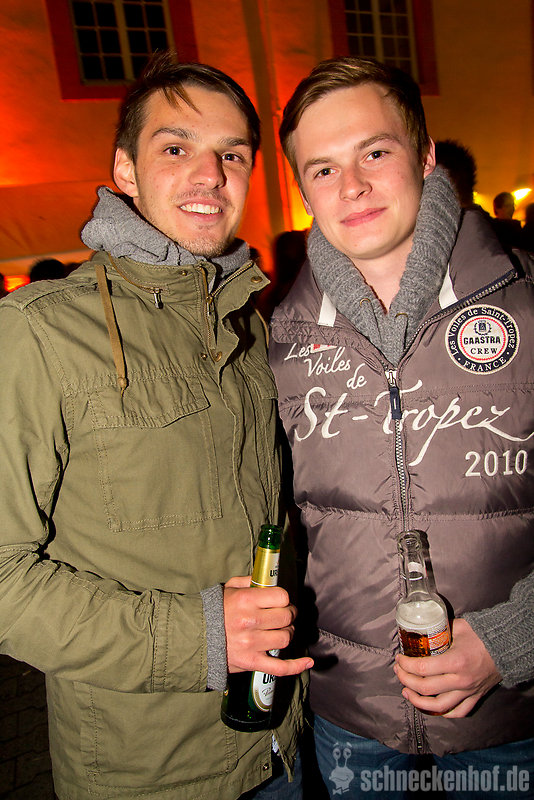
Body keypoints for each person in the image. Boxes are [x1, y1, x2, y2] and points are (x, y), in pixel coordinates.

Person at [0, 52, 312, 800]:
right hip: (149, 772)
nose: (210, 175)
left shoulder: (248, 325)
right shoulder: (39, 332)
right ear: (125, 170)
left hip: (282, 744)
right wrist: (202, 637)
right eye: (175, 148)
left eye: (232, 154)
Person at [269, 56, 534, 798]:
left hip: (511, 720)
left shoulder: (529, 305)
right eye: (323, 169)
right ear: (303, 190)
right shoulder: (274, 342)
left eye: (374, 152)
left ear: (424, 156)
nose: (350, 186)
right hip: (350, 721)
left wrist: (515, 638)